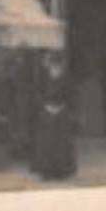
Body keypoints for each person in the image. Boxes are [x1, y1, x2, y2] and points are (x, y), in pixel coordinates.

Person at [29, 50, 77, 180]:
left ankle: (61, 171)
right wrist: (45, 106)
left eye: (56, 63)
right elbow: (37, 92)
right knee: (46, 142)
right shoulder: (43, 76)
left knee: (61, 142)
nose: (54, 66)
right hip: (46, 111)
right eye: (51, 63)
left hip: (62, 112)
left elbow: (71, 94)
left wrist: (63, 107)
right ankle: (46, 172)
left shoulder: (66, 77)